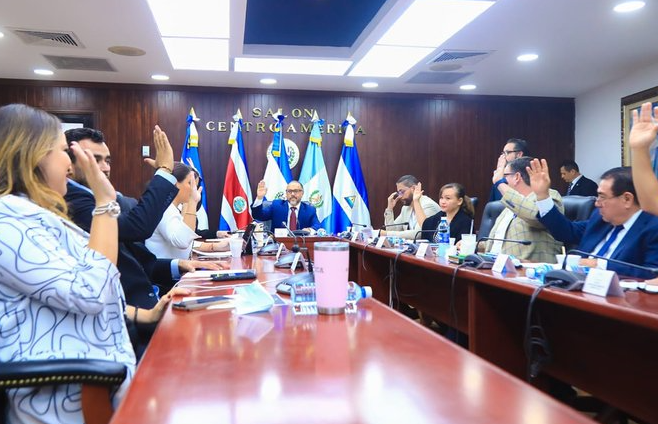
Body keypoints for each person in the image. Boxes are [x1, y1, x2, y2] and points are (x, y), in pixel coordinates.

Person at [0, 104, 136, 423]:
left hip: (97, 379)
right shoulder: (7, 222)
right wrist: (104, 203)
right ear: (33, 155)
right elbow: (91, 292)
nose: (71, 165)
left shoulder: (32, 215)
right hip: (67, 397)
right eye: (64, 151)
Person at [64, 128, 218, 356]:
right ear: (68, 164)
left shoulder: (105, 199)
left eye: (107, 160)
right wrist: (164, 172)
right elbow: (138, 227)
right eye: (95, 160)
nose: (105, 168)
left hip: (146, 308)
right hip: (126, 326)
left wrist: (179, 265)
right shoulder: (74, 202)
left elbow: (140, 260)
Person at [529, 159, 658, 278]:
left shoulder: (652, 228)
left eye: (602, 197)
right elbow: (566, 231)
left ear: (627, 199)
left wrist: (599, 264)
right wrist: (542, 196)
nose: (597, 203)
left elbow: (652, 273)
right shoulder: (600, 219)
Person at [486, 156, 563, 263]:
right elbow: (497, 242)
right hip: (495, 266)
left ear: (517, 177)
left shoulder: (548, 196)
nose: (501, 179)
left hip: (530, 269)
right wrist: (472, 244)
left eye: (504, 176)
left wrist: (499, 183)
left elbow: (538, 217)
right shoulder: (510, 205)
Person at [146, 162, 230, 259]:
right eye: (190, 183)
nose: (193, 189)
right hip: (165, 268)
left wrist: (214, 246)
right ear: (175, 184)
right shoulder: (164, 209)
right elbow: (182, 241)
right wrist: (192, 202)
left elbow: (186, 241)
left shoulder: (171, 208)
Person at [381, 175, 439, 239]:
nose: (400, 196)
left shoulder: (428, 205)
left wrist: (386, 233)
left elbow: (418, 234)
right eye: (399, 193)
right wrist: (389, 209)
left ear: (413, 189)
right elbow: (391, 230)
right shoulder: (406, 208)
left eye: (402, 192)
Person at [252, 180, 321, 231]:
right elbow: (258, 216)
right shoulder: (276, 206)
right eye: (289, 191)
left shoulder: (309, 210)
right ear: (286, 193)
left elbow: (317, 225)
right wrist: (259, 198)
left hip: (301, 243)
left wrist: (309, 230)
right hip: (278, 244)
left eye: (296, 191)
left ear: (302, 193)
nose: (292, 194)